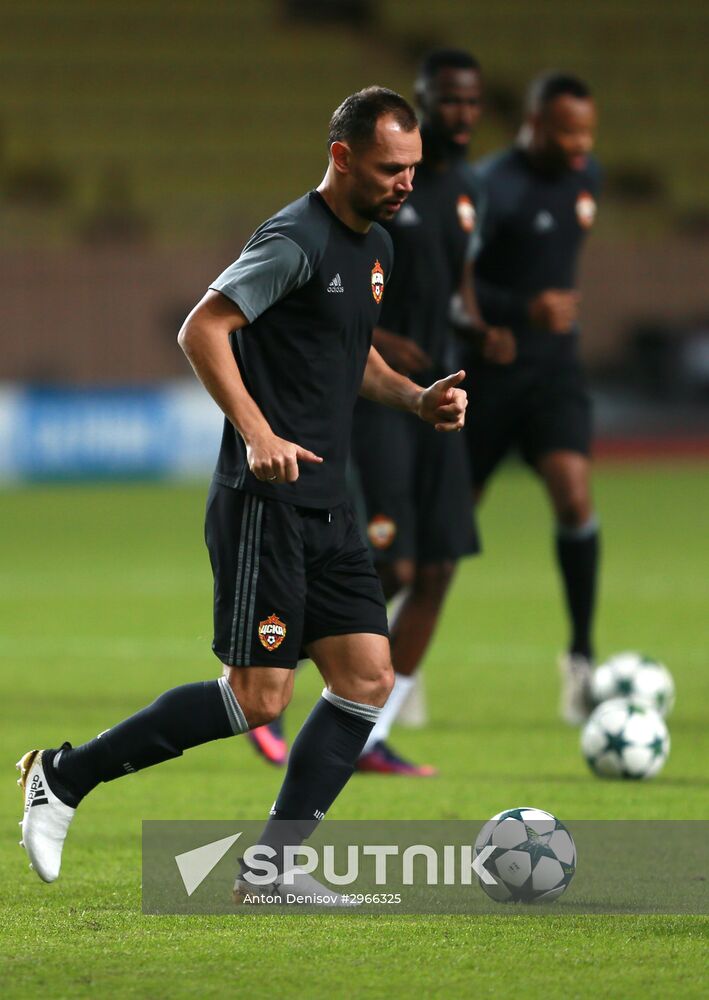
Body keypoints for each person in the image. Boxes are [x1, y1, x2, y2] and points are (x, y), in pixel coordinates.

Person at [16, 87, 468, 903]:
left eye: (412, 169)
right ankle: (62, 776)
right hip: (267, 504)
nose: (405, 183)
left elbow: (349, 354)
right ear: (341, 157)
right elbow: (203, 326)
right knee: (259, 697)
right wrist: (257, 433)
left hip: (328, 500)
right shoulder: (294, 237)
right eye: (389, 168)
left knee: (367, 677)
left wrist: (414, 397)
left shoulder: (375, 250)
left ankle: (271, 869)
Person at [460, 72, 601, 724]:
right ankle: (395, 662)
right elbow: (455, 284)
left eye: (587, 133)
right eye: (568, 132)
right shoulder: (490, 186)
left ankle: (580, 658)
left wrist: (549, 318)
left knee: (573, 495)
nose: (581, 145)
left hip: (555, 374)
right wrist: (522, 309)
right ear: (536, 122)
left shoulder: (585, 178)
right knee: (447, 528)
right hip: (488, 375)